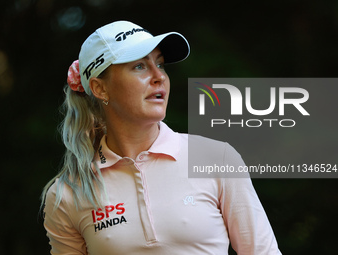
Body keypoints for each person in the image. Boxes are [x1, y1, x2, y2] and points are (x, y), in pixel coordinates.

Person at [42, 20, 282, 254]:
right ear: (100, 88)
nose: (159, 77)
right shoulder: (66, 194)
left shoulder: (216, 157)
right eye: (140, 66)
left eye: (161, 64)